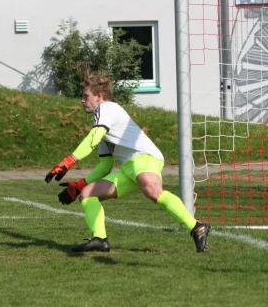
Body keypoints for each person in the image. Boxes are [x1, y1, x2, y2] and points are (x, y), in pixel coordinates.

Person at [45, 74, 210, 253]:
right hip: (128, 169)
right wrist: (80, 185)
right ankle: (99, 239)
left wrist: (68, 162)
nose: (82, 101)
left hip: (144, 158)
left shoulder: (106, 109)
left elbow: (92, 139)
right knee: (87, 194)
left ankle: (196, 227)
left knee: (152, 190)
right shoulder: (103, 124)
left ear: (99, 96)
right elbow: (105, 166)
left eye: (86, 96)